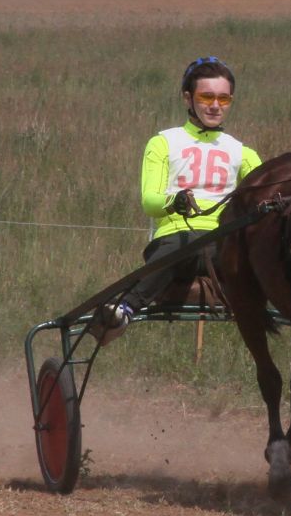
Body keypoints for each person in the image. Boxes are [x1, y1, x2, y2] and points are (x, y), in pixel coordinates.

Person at [93, 56, 262, 339]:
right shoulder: (163, 143)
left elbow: (265, 191)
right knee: (187, 243)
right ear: (188, 98)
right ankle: (125, 309)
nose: (215, 105)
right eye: (206, 96)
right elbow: (150, 201)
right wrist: (175, 202)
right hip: (176, 238)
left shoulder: (242, 152)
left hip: (224, 241)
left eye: (224, 98)